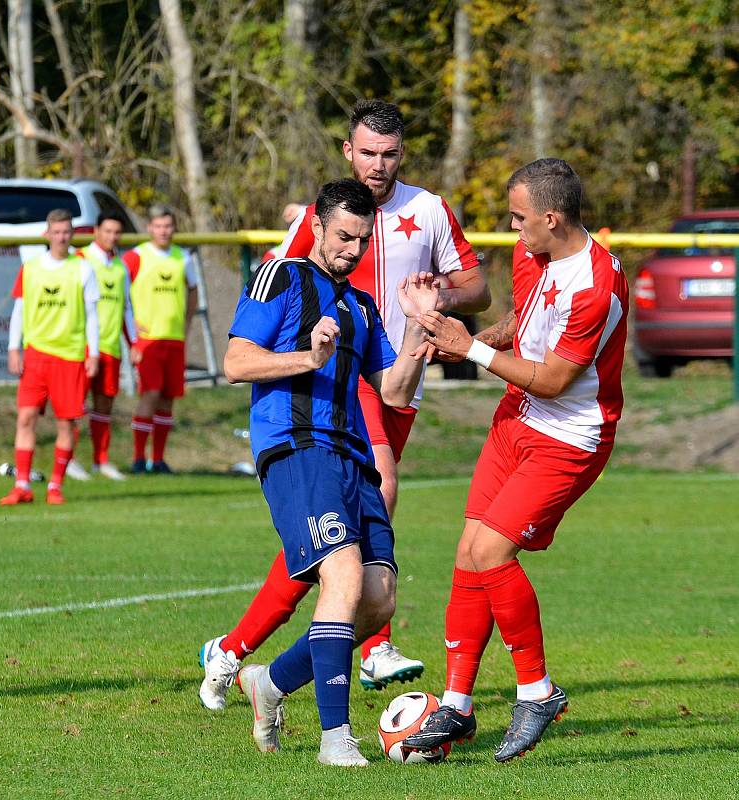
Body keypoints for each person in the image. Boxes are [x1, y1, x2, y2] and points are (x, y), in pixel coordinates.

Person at [198, 99, 491, 709]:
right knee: (373, 498)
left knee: (330, 545)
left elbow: (479, 289)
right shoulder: (322, 216)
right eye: (367, 153)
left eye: (388, 154)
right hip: (343, 376)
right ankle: (375, 646)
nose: (377, 166)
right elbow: (281, 277)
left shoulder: (429, 209)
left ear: (400, 154)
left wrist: (432, 299)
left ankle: (236, 654)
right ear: (347, 152)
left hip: (397, 365)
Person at [401, 158, 629, 762]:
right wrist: (460, 338)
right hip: (515, 421)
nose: (512, 227)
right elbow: (522, 326)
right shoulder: (534, 255)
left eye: (520, 217)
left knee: (492, 552)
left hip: (570, 437)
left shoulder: (598, 285)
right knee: (468, 553)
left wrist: (469, 348)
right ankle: (456, 706)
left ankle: (537, 690)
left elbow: (554, 378)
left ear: (552, 218)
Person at [224, 178, 437, 766]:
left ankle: (268, 684)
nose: (352, 249)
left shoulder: (363, 307)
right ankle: (335, 741)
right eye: (343, 236)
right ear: (316, 226)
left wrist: (420, 327)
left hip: (352, 456)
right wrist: (307, 358)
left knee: (377, 599)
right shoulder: (281, 277)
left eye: (362, 240)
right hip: (296, 447)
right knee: (341, 575)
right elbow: (235, 362)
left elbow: (393, 392)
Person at [0, 209, 100, 506]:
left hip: (69, 357)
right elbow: (19, 309)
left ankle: (55, 485)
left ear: (72, 235)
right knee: (26, 417)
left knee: (66, 425)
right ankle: (22, 486)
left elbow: (92, 314)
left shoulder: (83, 269)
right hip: (36, 356)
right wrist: (13, 347)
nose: (61, 237)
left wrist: (92, 353)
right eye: (56, 232)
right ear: (47, 234)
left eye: (66, 232)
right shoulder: (31, 268)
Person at [124, 204, 198, 473]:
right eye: (158, 226)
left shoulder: (183, 258)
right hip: (148, 341)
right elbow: (122, 294)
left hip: (174, 339)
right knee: (150, 394)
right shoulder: (136, 257)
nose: (163, 231)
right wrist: (132, 328)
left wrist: (187, 323)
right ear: (149, 227)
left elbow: (192, 291)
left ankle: (158, 459)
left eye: (168, 226)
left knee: (168, 399)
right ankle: (137, 458)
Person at [70, 213, 141, 480]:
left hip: (110, 346)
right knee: (76, 405)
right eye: (107, 231)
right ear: (96, 231)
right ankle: (69, 459)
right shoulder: (81, 260)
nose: (112, 237)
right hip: (83, 347)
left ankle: (101, 460)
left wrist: (133, 342)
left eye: (116, 232)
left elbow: (126, 308)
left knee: (104, 405)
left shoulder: (120, 267)